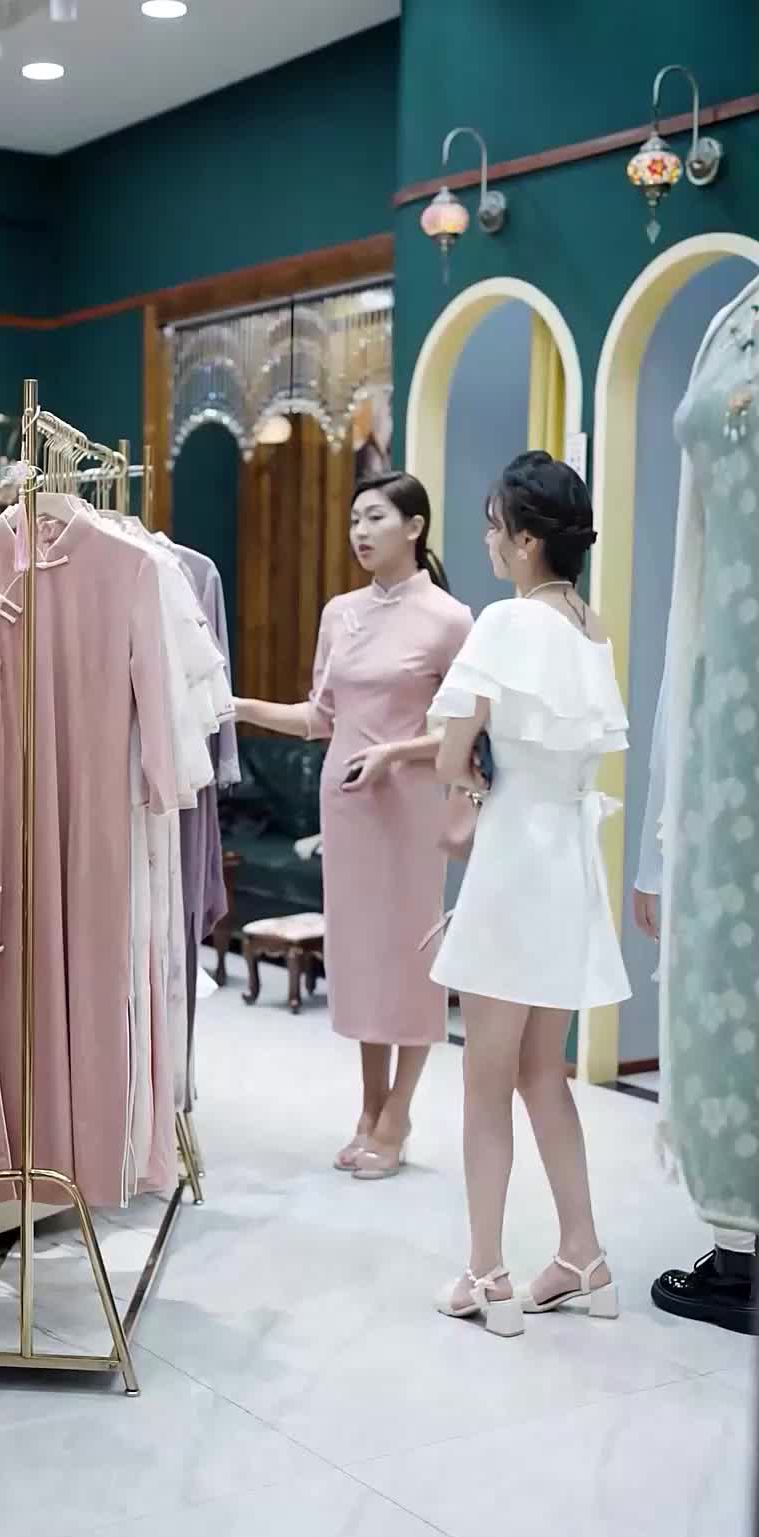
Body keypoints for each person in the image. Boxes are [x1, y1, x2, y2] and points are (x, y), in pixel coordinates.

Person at [428, 452, 631, 1336]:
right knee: (543, 1072)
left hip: (514, 859)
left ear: (524, 541)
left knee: (486, 1077)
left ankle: (486, 1274)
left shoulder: (506, 623)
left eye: (494, 527)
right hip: (569, 865)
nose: (487, 541)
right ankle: (584, 1254)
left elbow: (452, 754)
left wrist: (467, 785)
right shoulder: (592, 631)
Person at [235, 473, 472, 1176]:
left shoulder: (451, 620)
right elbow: (321, 717)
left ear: (415, 527)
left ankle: (398, 1114)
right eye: (354, 521)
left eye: (375, 518)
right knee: (362, 955)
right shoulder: (339, 613)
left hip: (411, 806)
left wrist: (395, 753)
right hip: (347, 806)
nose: (360, 533)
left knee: (411, 956)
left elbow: (467, 735)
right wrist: (240, 707)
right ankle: (368, 1108)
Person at [634, 668, 757, 1334]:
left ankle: (739, 1264)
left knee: (727, 1048)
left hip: (724, 859)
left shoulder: (714, 628)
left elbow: (675, 743)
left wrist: (654, 869)